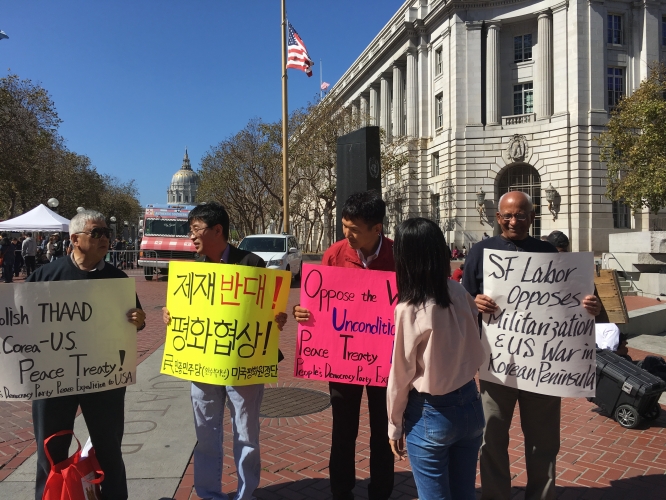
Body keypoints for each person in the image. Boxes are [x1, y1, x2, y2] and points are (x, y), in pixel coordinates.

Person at [462, 191, 600, 500]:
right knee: (491, 437)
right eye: (508, 216)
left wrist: (589, 306)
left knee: (544, 441)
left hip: (544, 365)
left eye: (521, 215)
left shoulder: (549, 252)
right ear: (498, 219)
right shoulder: (480, 252)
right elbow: (461, 302)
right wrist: (474, 302)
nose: (514, 221)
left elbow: (572, 301)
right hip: (497, 365)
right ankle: (496, 495)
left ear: (532, 217)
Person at [162, 201, 287, 500]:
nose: (190, 237)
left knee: (246, 433)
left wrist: (277, 318)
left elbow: (270, 311)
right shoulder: (193, 274)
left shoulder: (252, 264)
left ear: (217, 230)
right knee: (206, 433)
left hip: (244, 366)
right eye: (189, 231)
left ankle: (246, 493)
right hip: (202, 365)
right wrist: (171, 314)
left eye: (195, 230)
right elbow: (186, 312)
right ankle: (208, 493)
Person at [27, 210, 146, 500]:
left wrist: (138, 320)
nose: (105, 238)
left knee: (108, 448)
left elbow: (136, 323)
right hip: (53, 379)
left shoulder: (117, 280)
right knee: (50, 450)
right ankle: (50, 496)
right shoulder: (44, 277)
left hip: (103, 379)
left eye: (107, 233)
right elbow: (22, 325)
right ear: (75, 239)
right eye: (97, 233)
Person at [293, 190, 394, 500]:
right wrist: (304, 312)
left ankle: (381, 490)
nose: (347, 234)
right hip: (341, 358)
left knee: (383, 429)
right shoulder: (335, 254)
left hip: (384, 360)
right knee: (343, 429)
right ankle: (341, 490)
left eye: (354, 229)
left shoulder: (398, 254)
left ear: (377, 228)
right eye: (344, 226)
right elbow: (321, 300)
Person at [387, 218, 486, 499]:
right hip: (470, 403)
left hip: (430, 411)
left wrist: (394, 425)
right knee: (464, 492)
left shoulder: (409, 308)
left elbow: (401, 374)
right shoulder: (458, 291)